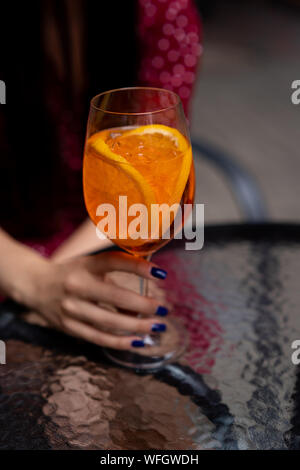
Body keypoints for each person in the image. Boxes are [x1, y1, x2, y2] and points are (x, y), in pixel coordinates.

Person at [0, 0, 202, 350]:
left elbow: (161, 178)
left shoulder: (161, 12)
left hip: (99, 240)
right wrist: (34, 281)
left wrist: (64, 278)